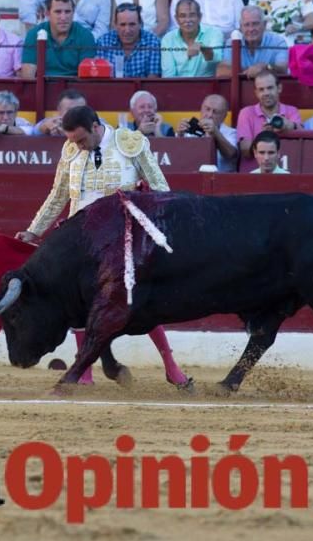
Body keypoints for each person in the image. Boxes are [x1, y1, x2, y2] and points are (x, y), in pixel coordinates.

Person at [14, 104, 193, 390]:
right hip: (79, 240)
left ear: (96, 127)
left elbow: (161, 189)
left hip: (121, 240)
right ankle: (85, 373)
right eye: (73, 140)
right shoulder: (70, 149)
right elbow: (58, 195)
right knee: (78, 305)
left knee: (139, 305)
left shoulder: (131, 143)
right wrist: (34, 230)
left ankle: (172, 366)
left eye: (82, 139)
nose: (78, 146)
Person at [20, 0, 98, 77]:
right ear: (47, 13)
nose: (63, 17)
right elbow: (28, 76)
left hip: (75, 89)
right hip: (43, 88)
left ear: (73, 13)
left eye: (67, 12)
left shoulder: (85, 36)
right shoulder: (34, 34)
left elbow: (86, 77)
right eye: (58, 12)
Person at [236, 69, 301, 170]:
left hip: (284, 173)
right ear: (256, 93)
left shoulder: (292, 111)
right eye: (261, 89)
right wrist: (261, 136)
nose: (266, 93)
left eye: (270, 88)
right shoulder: (246, 113)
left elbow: (303, 143)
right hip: (252, 176)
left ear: (279, 88)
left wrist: (289, 126)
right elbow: (245, 151)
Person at [217, 5, 289, 77]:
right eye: (246, 25)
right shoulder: (232, 42)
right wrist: (250, 71)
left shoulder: (278, 42)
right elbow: (222, 71)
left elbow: (283, 69)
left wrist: (266, 67)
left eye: (255, 24)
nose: (251, 29)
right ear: (241, 27)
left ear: (264, 25)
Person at [161, 0, 224, 77]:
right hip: (178, 87)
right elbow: (168, 75)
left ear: (200, 17)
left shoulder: (214, 33)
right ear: (176, 19)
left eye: (192, 15)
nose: (187, 20)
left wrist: (203, 49)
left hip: (207, 86)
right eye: (182, 16)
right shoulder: (168, 39)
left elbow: (217, 60)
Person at [95, 2, 162, 77]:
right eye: (122, 25)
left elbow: (152, 79)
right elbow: (100, 78)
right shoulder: (104, 42)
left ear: (140, 24)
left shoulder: (153, 43)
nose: (127, 30)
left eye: (132, 24)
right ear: (115, 25)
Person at [176, 93, 238, 171]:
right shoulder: (188, 129)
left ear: (224, 116)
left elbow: (231, 155)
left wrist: (216, 133)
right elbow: (177, 158)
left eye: (215, 112)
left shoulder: (231, 133)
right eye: (207, 109)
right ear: (201, 109)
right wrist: (179, 135)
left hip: (222, 179)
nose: (209, 115)